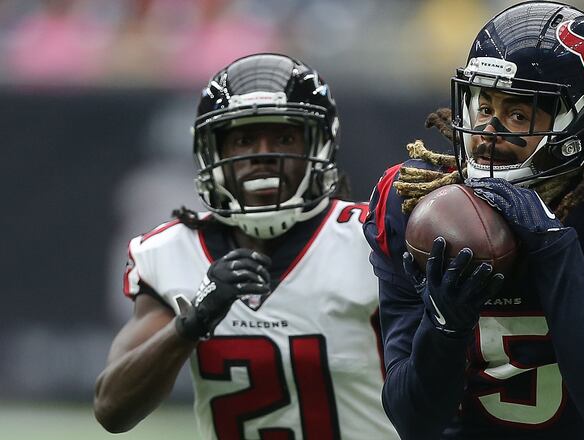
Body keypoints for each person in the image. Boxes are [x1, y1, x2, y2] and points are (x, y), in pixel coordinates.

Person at [364, 2, 584, 439]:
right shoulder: (412, 207)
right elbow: (413, 420)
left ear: (582, 124)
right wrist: (444, 325)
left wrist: (552, 246)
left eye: (518, 114)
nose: (487, 133)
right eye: (484, 108)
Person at [94, 53, 398, 440]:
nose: (263, 156)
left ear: (320, 146)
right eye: (243, 139)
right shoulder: (171, 253)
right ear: (214, 151)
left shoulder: (369, 239)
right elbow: (111, 409)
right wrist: (192, 323)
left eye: (285, 137)